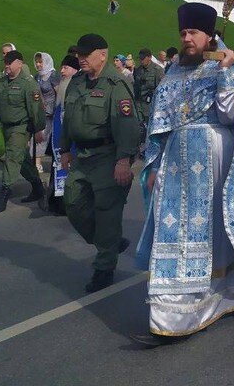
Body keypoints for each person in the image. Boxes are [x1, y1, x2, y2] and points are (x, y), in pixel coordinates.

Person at [132, 4, 234, 344]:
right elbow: (159, 121)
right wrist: (152, 166)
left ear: (209, 35)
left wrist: (227, 73)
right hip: (176, 165)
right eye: (183, 33)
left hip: (218, 161)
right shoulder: (172, 73)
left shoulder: (224, 68)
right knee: (180, 235)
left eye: (193, 33)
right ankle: (174, 313)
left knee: (223, 230)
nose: (187, 38)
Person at [60, 33, 139, 292]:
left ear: (102, 54)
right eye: (79, 55)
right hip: (81, 157)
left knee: (106, 213)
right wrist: (64, 149)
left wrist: (123, 160)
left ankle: (104, 268)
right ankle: (111, 242)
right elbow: (67, 118)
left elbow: (127, 125)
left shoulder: (116, 84)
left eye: (86, 55)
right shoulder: (77, 82)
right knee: (72, 203)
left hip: (108, 157)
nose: (81, 59)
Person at [0, 50, 46, 213]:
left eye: (10, 63)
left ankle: (4, 194)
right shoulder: (2, 82)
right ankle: (38, 186)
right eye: (5, 63)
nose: (7, 66)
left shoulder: (28, 83)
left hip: (21, 127)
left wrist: (39, 129)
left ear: (19, 63)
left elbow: (36, 109)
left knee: (12, 157)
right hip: (6, 127)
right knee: (23, 159)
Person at [47, 54, 80, 215]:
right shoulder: (63, 87)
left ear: (75, 70)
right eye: (62, 67)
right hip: (60, 140)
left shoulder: (78, 88)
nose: (62, 71)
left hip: (73, 142)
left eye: (65, 68)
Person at [33, 52, 61, 174]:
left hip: (50, 112)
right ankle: (34, 160)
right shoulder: (37, 76)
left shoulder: (53, 75)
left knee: (43, 136)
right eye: (37, 62)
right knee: (37, 136)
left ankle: (37, 163)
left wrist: (56, 109)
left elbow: (59, 94)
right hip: (39, 111)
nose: (38, 65)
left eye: (41, 62)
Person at [133, 48, 165, 126]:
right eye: (140, 58)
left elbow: (161, 89)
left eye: (143, 58)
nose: (141, 60)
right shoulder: (138, 70)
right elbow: (136, 85)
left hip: (150, 105)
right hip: (139, 103)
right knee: (138, 126)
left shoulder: (157, 70)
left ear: (150, 57)